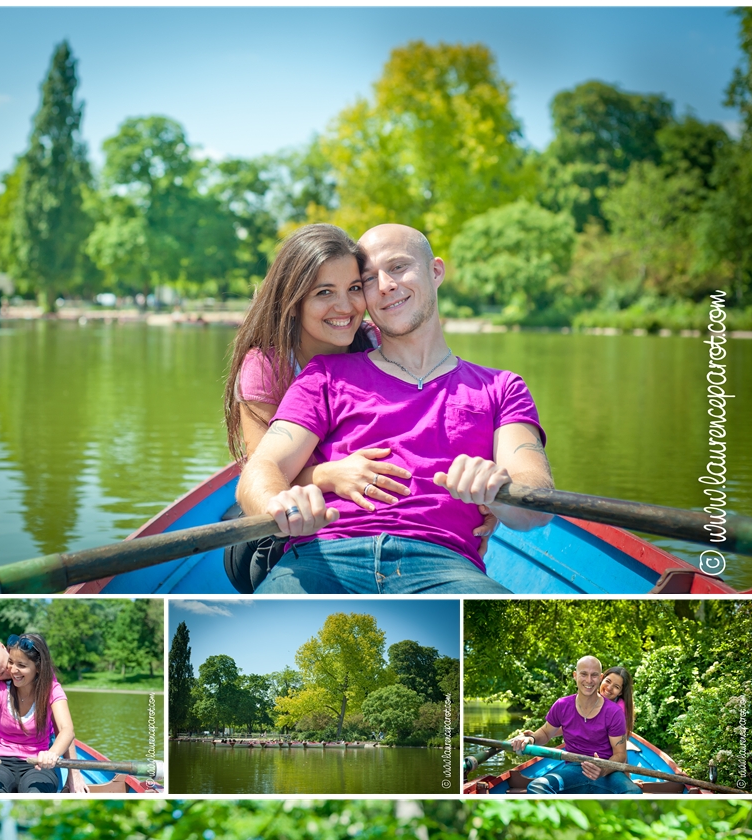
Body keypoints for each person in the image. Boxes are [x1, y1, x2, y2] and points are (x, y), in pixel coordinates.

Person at [234, 223, 554, 595]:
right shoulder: (322, 374)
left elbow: (536, 501)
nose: (385, 285)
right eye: (369, 278)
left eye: (399, 267)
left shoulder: (502, 388)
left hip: (443, 566)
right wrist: (282, 502)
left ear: (435, 271)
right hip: (322, 556)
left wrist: (499, 493)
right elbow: (262, 466)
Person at [0, 639, 86, 795]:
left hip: (40, 743)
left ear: (4, 648)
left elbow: (64, 728)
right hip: (1, 742)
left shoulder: (37, 669)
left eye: (9, 662)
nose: (12, 671)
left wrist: (73, 773)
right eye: (1, 672)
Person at [509, 656, 643, 795]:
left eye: (594, 675)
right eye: (584, 674)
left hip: (608, 770)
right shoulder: (562, 705)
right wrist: (531, 739)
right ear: (575, 675)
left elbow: (620, 754)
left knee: (633, 792)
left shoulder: (615, 712)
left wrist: (602, 768)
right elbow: (546, 732)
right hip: (574, 768)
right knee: (536, 787)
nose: (589, 680)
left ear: (599, 677)